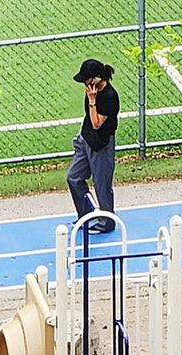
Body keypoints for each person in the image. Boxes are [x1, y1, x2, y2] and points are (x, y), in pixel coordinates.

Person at [68, 58, 119, 234]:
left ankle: (107, 220)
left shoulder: (109, 97)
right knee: (74, 177)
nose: (85, 84)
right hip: (86, 139)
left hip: (101, 145)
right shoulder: (92, 90)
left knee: (101, 183)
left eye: (87, 80)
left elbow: (97, 123)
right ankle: (86, 214)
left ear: (97, 78)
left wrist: (92, 100)